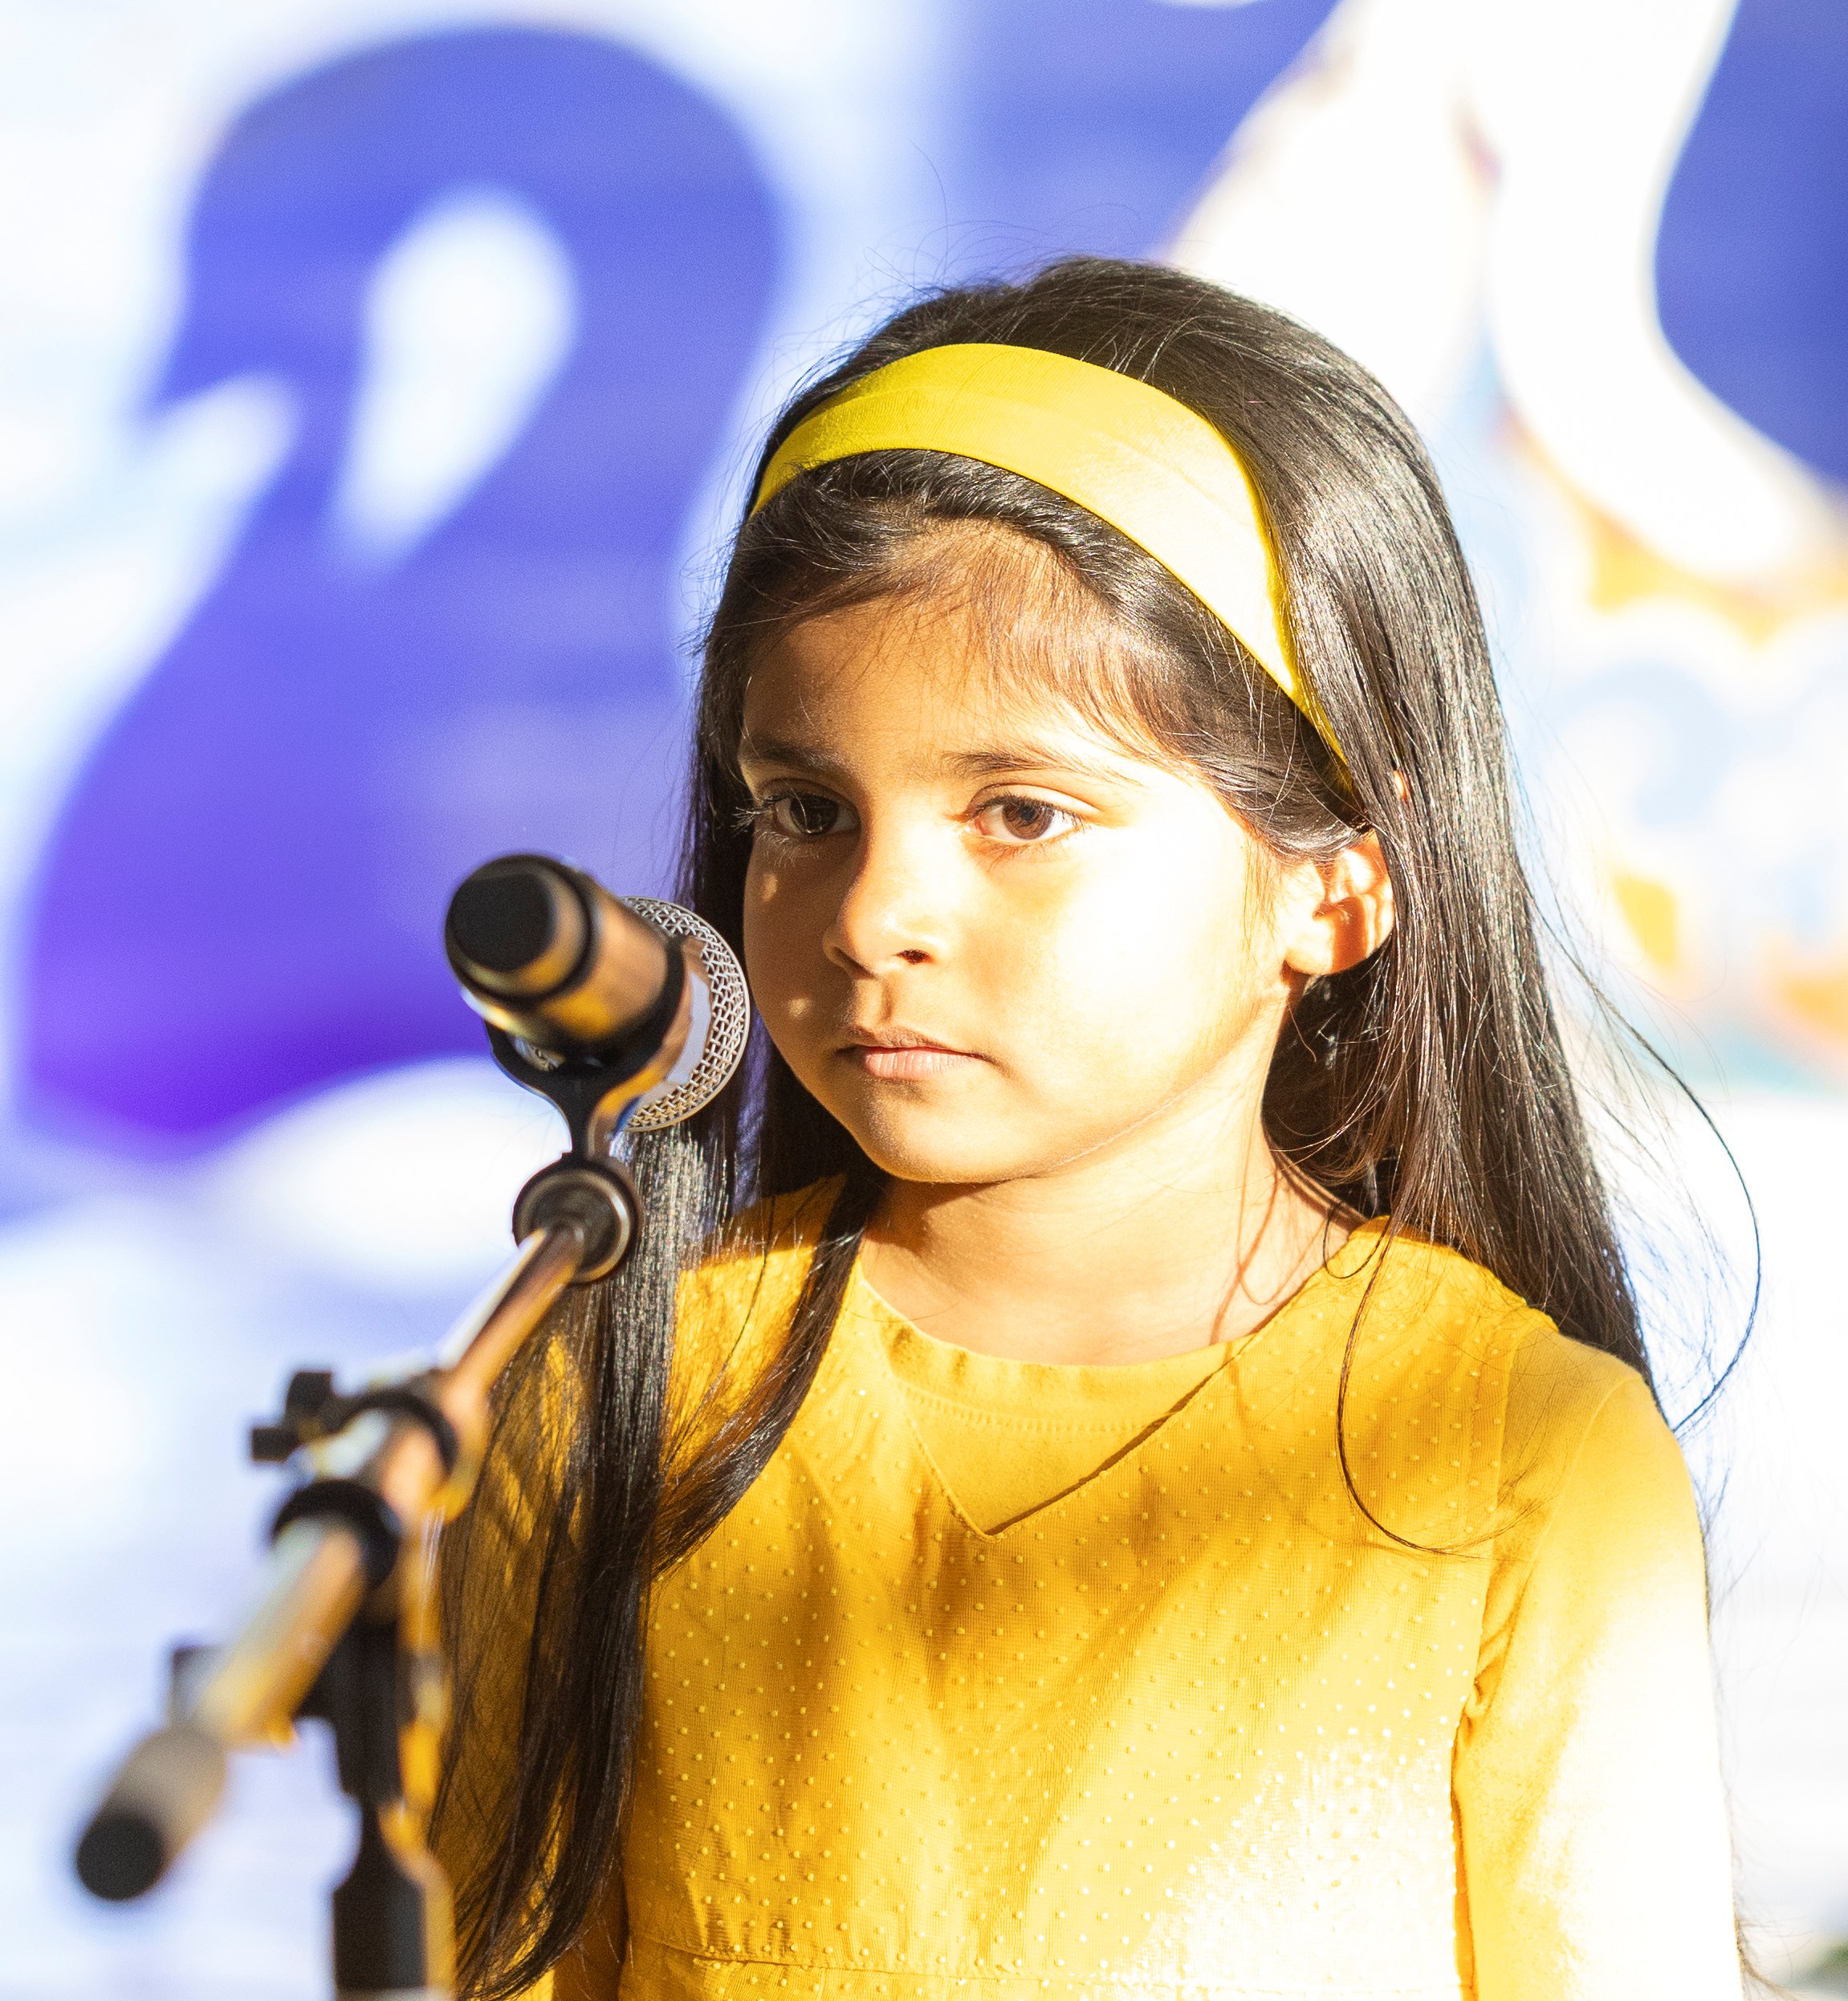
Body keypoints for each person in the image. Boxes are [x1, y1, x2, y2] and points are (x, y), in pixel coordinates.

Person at [431, 258, 1744, 2000]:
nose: (872, 912)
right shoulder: (615, 1379)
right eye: (804, 809)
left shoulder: (1521, 1454)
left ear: (1333, 887)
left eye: (1021, 812)